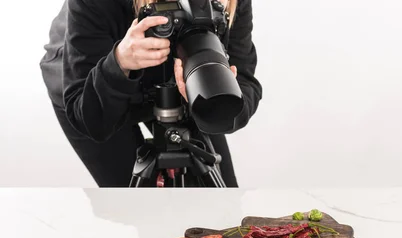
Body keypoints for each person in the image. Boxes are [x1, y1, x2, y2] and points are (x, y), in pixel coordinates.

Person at [40, 0, 262, 187]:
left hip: (179, 82)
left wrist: (218, 97)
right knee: (137, 206)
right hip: (96, 86)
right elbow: (91, 119)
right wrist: (118, 63)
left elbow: (242, 77)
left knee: (220, 207)